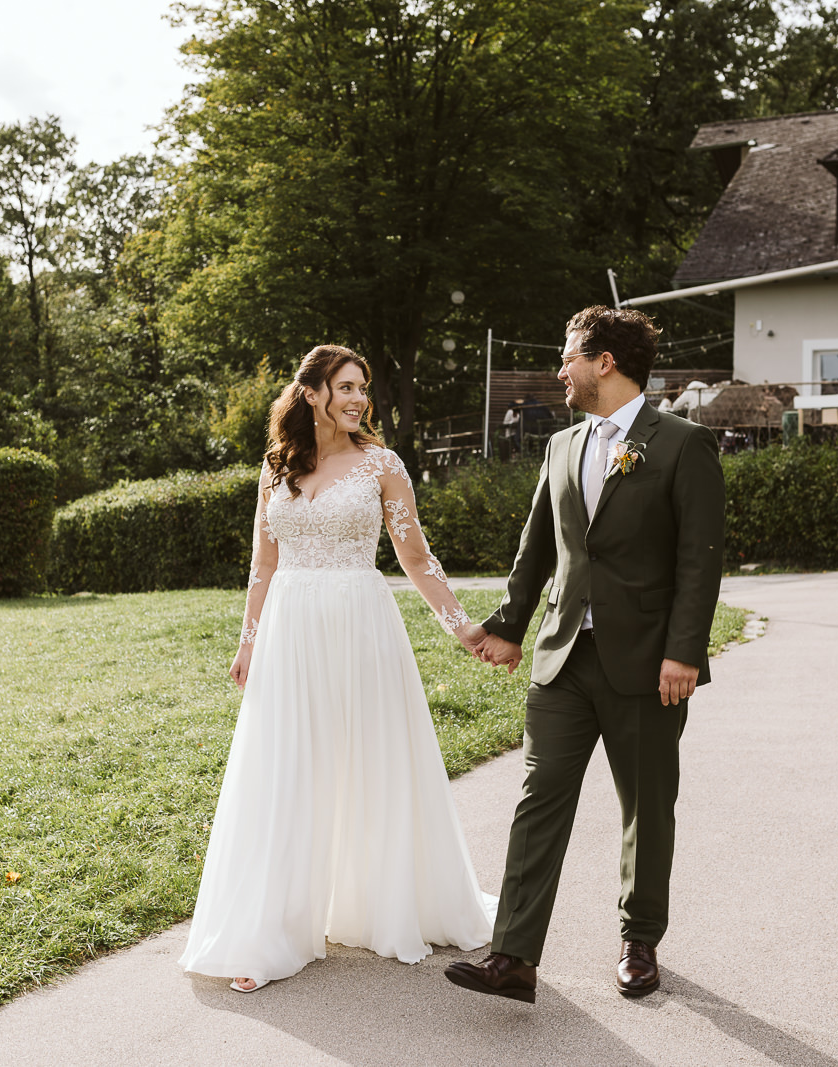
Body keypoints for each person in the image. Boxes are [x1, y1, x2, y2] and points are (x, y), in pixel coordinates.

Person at [179, 345, 496, 993]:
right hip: (290, 632)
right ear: (312, 392)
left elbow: (415, 556)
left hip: (359, 623)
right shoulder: (275, 468)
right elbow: (262, 566)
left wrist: (460, 624)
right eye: (344, 387)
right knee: (286, 770)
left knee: (372, 762)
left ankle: (384, 903)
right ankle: (272, 933)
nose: (357, 398)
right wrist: (248, 641)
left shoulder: (383, 464)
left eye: (363, 388)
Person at [445, 305, 725, 1004]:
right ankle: (512, 955)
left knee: (646, 805)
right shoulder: (561, 445)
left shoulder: (684, 444)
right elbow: (537, 548)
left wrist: (684, 650)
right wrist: (509, 626)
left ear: (605, 362)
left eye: (567, 355)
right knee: (540, 800)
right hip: (563, 659)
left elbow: (700, 560)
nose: (559, 368)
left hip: (648, 663)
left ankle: (639, 939)